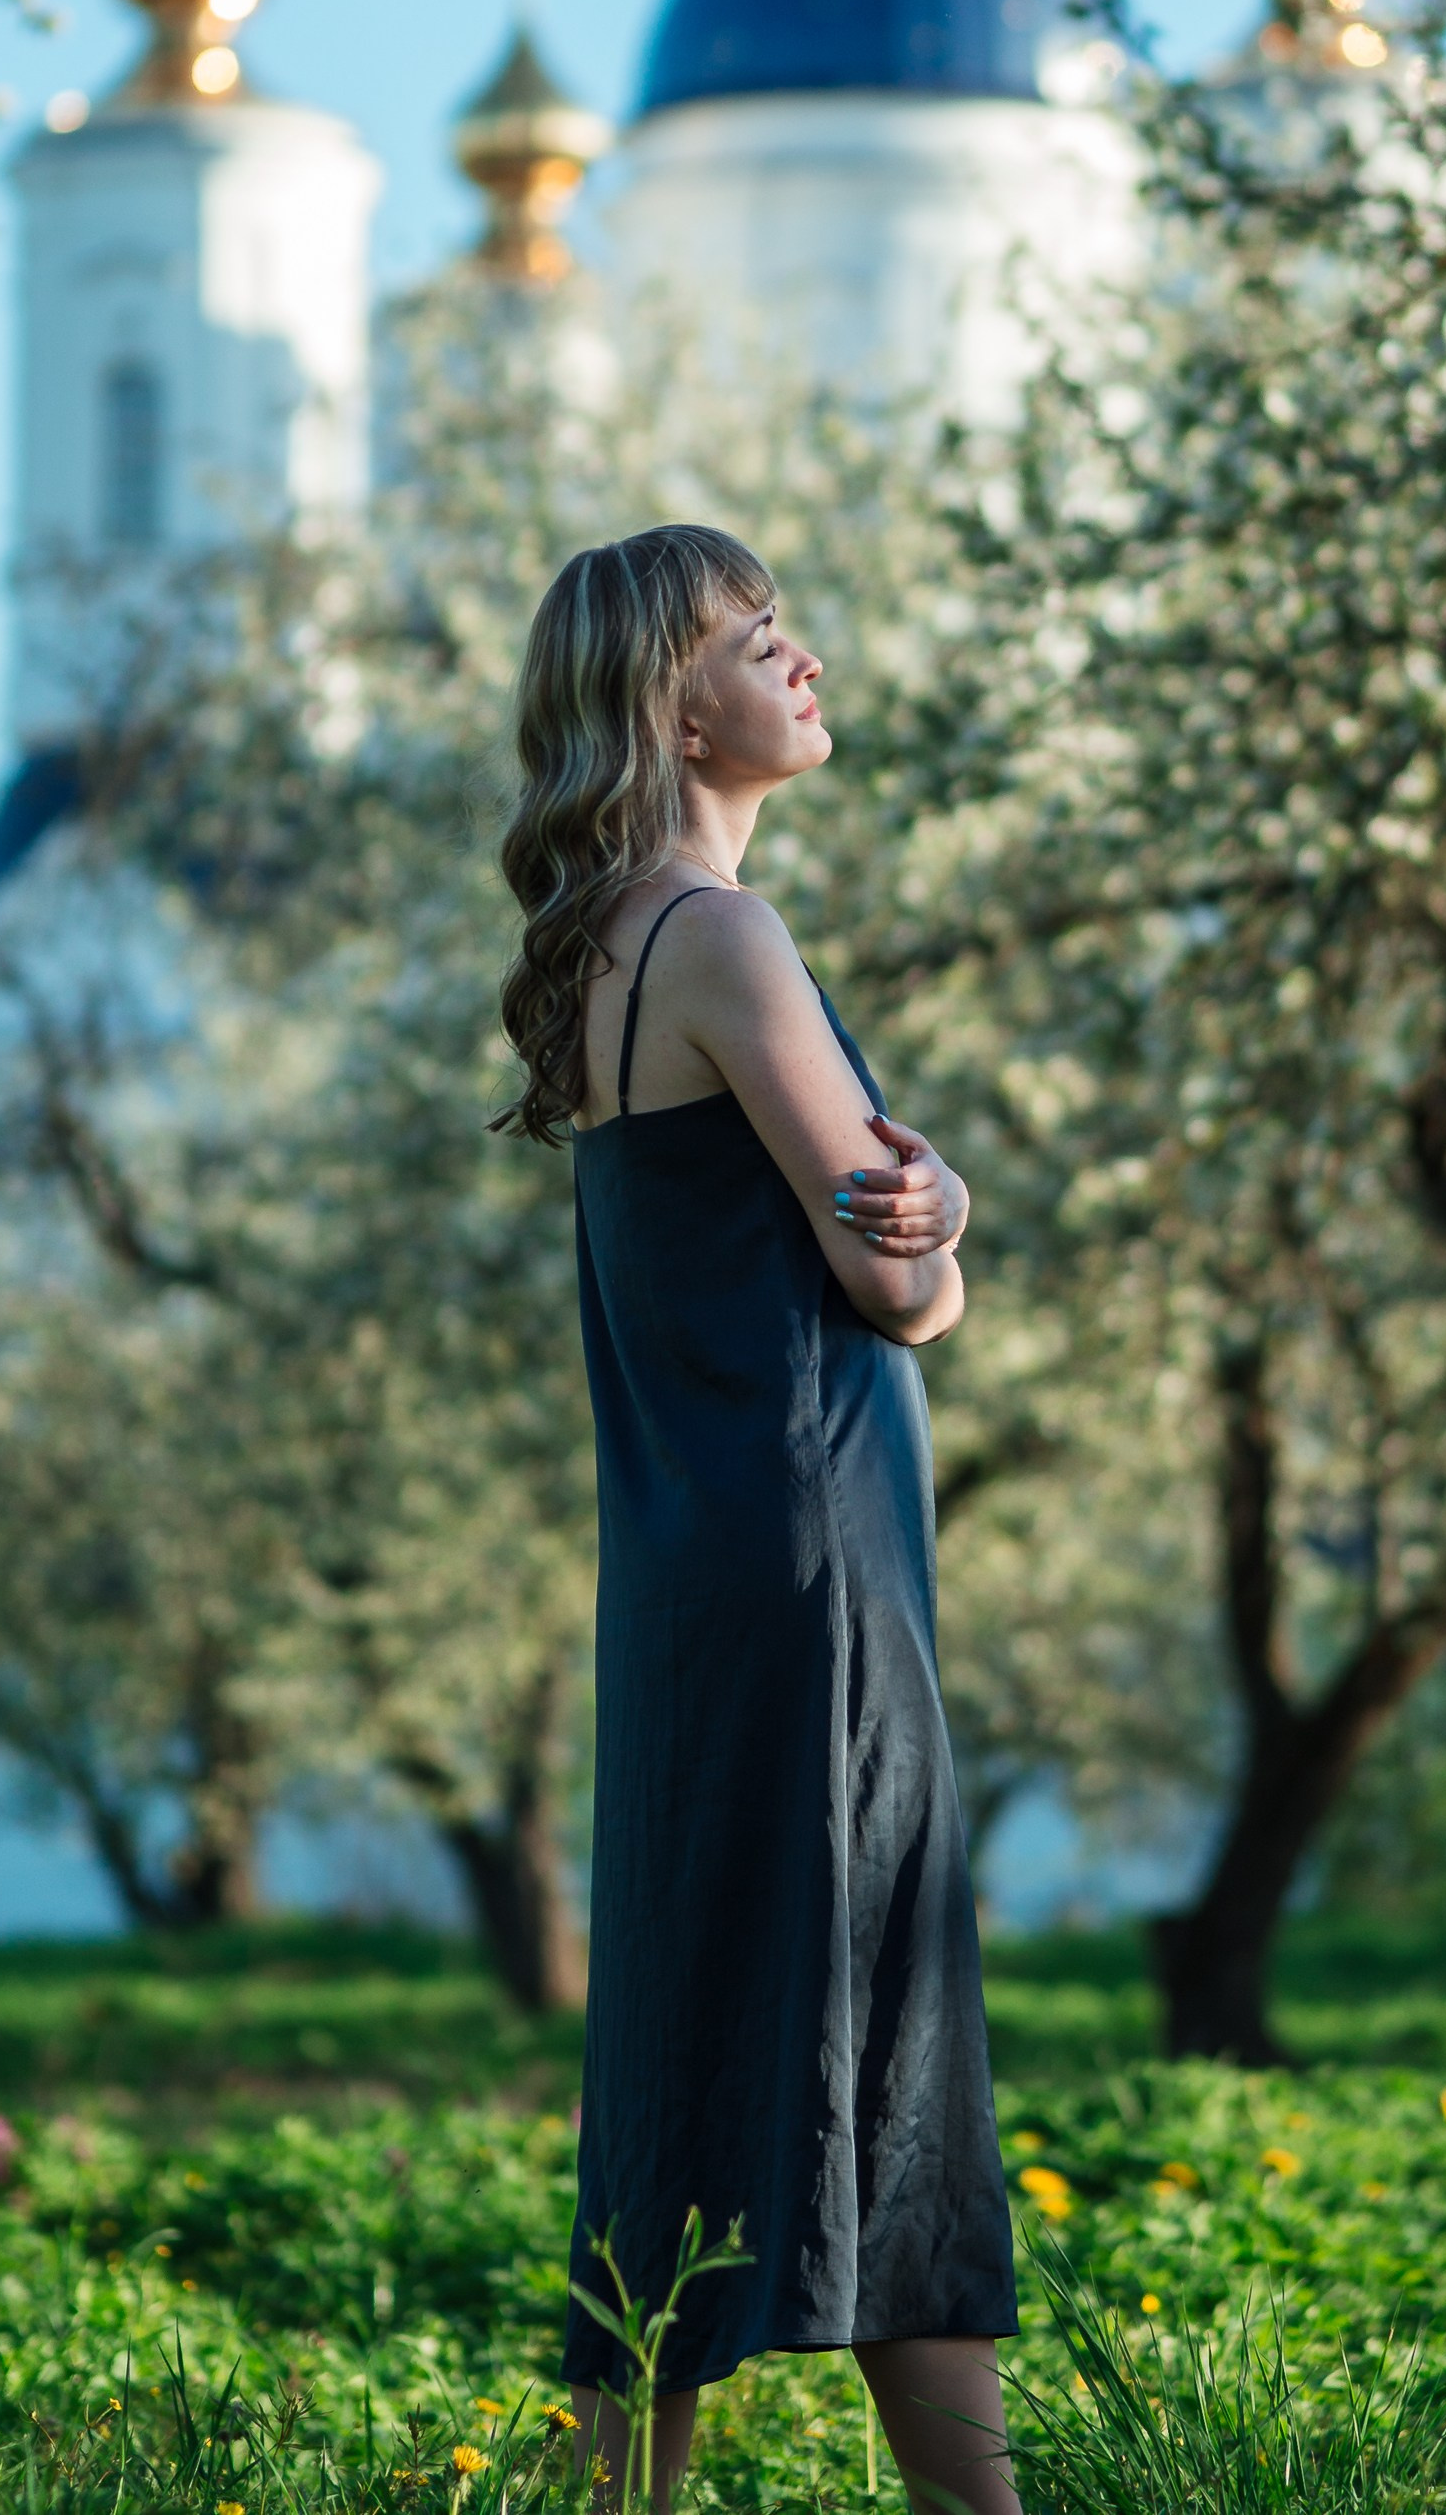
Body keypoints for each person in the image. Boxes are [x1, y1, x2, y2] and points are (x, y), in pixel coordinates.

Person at [495, 523, 1020, 2515]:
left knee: (695, 2029)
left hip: (699, 1572)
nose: (799, 660)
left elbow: (898, 1262)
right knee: (888, 2021)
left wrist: (930, 1238)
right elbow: (898, 1285)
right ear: (669, 701)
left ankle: (627, 2494)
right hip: (819, 1563)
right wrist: (943, 1216)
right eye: (753, 637)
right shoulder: (723, 940)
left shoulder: (598, 957)